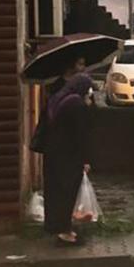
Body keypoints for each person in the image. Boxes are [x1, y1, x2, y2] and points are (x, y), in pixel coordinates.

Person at [42, 73, 94, 246]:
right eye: (88, 89)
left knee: (55, 192)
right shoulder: (76, 104)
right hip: (69, 156)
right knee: (67, 194)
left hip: (53, 154)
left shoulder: (57, 98)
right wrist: (85, 160)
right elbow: (80, 134)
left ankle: (55, 226)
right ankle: (65, 233)